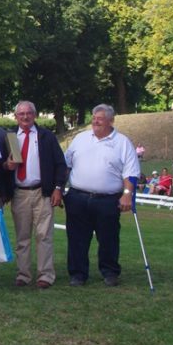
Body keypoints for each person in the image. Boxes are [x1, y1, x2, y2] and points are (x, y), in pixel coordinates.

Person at [63, 104, 140, 287]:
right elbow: (66, 165)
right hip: (77, 197)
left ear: (111, 121)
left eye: (100, 118)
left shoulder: (122, 142)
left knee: (108, 238)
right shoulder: (80, 139)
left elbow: (131, 173)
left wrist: (127, 194)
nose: (95, 121)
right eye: (94, 117)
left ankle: (110, 272)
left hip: (107, 199)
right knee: (77, 238)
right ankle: (78, 274)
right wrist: (58, 187)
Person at [0, 101, 68, 289]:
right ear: (16, 116)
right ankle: (23, 274)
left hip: (42, 192)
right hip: (19, 193)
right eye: (21, 114)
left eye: (29, 113)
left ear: (35, 115)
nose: (25, 117)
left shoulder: (46, 137)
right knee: (22, 237)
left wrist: (58, 188)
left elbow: (60, 165)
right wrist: (7, 166)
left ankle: (45, 275)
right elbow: (1, 167)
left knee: (43, 235)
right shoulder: (10, 137)